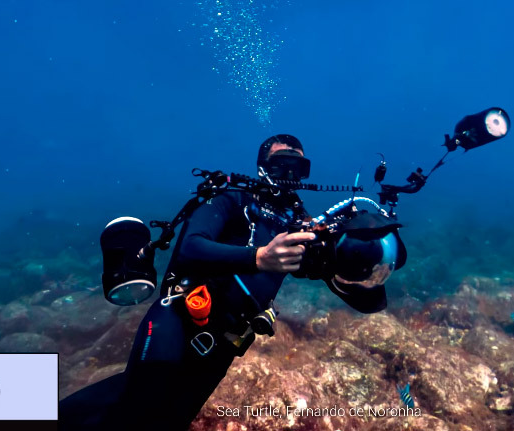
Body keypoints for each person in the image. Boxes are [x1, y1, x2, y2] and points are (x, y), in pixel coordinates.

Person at [59, 134, 387, 429]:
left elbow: (356, 291)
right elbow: (190, 246)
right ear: (262, 167)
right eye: (281, 163)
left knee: (169, 421)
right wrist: (259, 257)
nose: (289, 173)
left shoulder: (296, 225)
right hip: (179, 317)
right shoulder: (232, 198)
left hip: (227, 342)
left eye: (298, 167)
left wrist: (363, 258)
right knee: (133, 408)